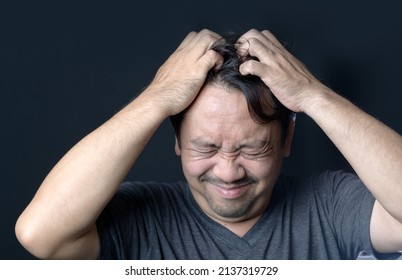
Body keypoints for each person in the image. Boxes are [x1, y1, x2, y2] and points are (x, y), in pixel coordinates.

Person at [15, 29, 402, 260]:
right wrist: (157, 98)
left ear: (287, 140)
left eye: (252, 149)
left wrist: (314, 96)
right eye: (206, 148)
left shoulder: (330, 205)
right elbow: (41, 235)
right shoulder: (141, 219)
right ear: (178, 143)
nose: (228, 172)